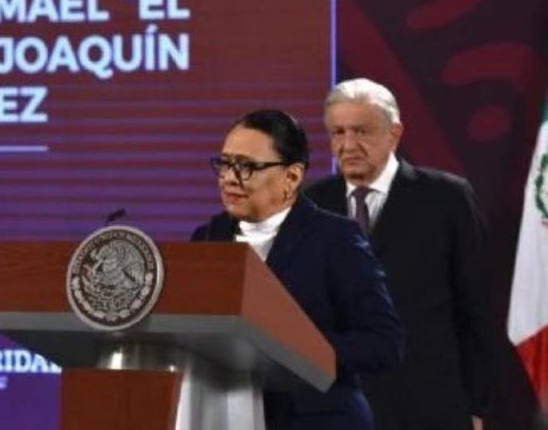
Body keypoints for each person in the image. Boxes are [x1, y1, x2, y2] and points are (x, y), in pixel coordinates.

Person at [192, 109, 403, 430]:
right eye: (224, 163)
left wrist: (295, 350)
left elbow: (383, 342)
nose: (229, 178)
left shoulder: (335, 239)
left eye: (247, 166)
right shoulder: (207, 237)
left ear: (291, 177)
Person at [306, 78, 494, 430]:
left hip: (431, 408)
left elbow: (477, 312)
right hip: (337, 409)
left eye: (361, 131)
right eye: (338, 132)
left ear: (394, 133)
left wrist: (477, 406)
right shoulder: (312, 205)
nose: (348, 145)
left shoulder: (446, 198)